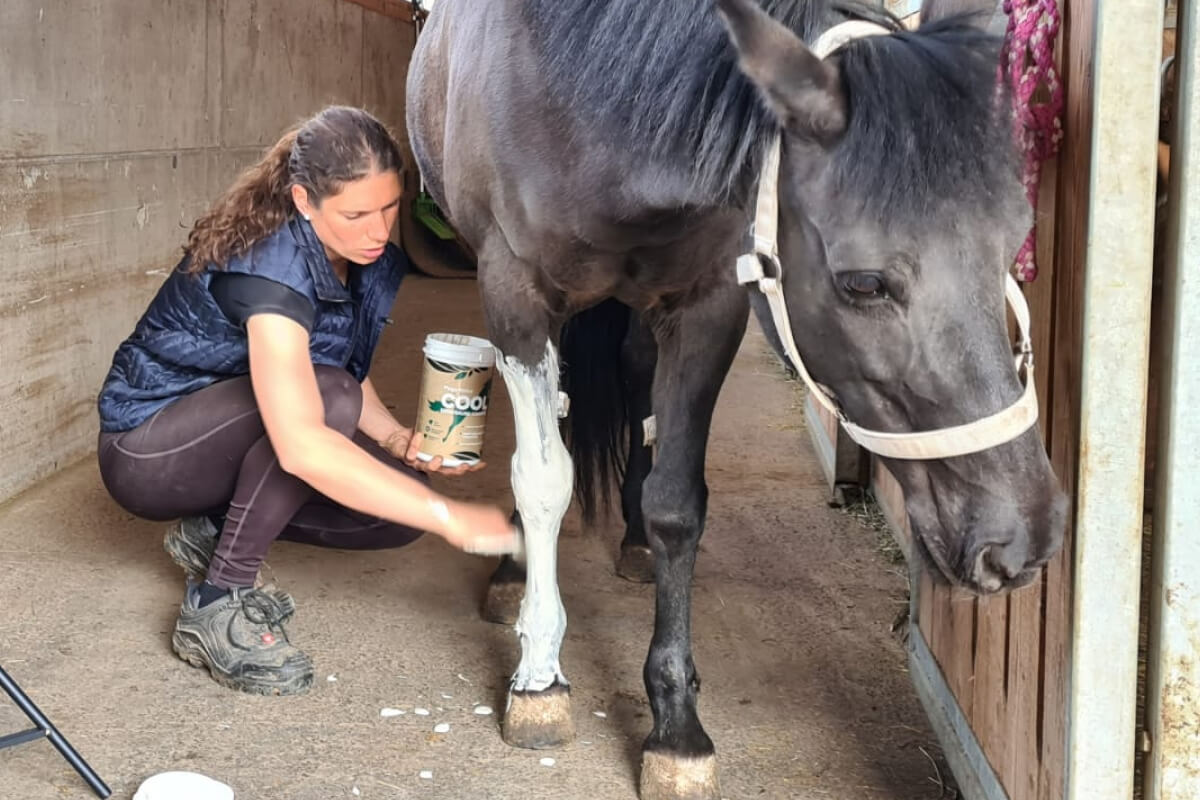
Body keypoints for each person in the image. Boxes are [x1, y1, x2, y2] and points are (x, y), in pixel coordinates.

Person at [96, 106, 519, 697]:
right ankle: (216, 604)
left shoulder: (354, 255)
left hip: (225, 436)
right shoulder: (270, 270)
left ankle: (215, 529)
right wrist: (450, 518)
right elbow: (307, 426)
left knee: (391, 516)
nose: (378, 229)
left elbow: (331, 361)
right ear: (302, 200)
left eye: (389, 207)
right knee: (331, 411)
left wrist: (398, 442)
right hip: (148, 450)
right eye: (355, 214)